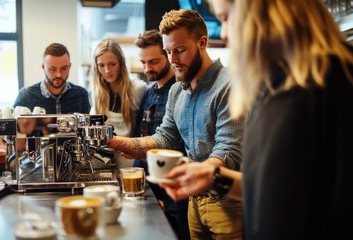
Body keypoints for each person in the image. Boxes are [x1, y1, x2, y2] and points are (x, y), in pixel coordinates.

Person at [160, 0, 353, 239]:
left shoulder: (334, 80)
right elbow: (272, 188)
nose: (225, 33)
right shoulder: (271, 86)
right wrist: (213, 177)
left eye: (226, 18)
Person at [107, 9, 245, 239]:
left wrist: (198, 174)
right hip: (194, 201)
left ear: (202, 43)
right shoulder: (176, 92)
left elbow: (229, 150)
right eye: (168, 51)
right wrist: (119, 142)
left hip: (227, 203)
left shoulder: (229, 86)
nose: (173, 60)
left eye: (180, 51)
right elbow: (165, 138)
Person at [132, 29, 189, 240]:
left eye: (154, 61)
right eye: (143, 62)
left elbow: (179, 146)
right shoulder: (148, 91)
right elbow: (142, 135)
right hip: (151, 185)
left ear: (168, 55)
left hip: (174, 187)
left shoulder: (181, 91)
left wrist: (163, 194)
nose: (148, 68)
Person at [90, 38, 147, 167]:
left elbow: (143, 131)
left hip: (130, 161)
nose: (107, 70)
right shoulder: (95, 92)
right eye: (101, 65)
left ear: (121, 63)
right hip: (103, 160)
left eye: (112, 64)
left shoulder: (138, 89)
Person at [13, 43, 91, 114]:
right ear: (43, 67)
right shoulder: (27, 96)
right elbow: (12, 127)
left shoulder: (81, 95)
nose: (58, 75)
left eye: (64, 68)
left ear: (69, 67)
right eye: (52, 69)